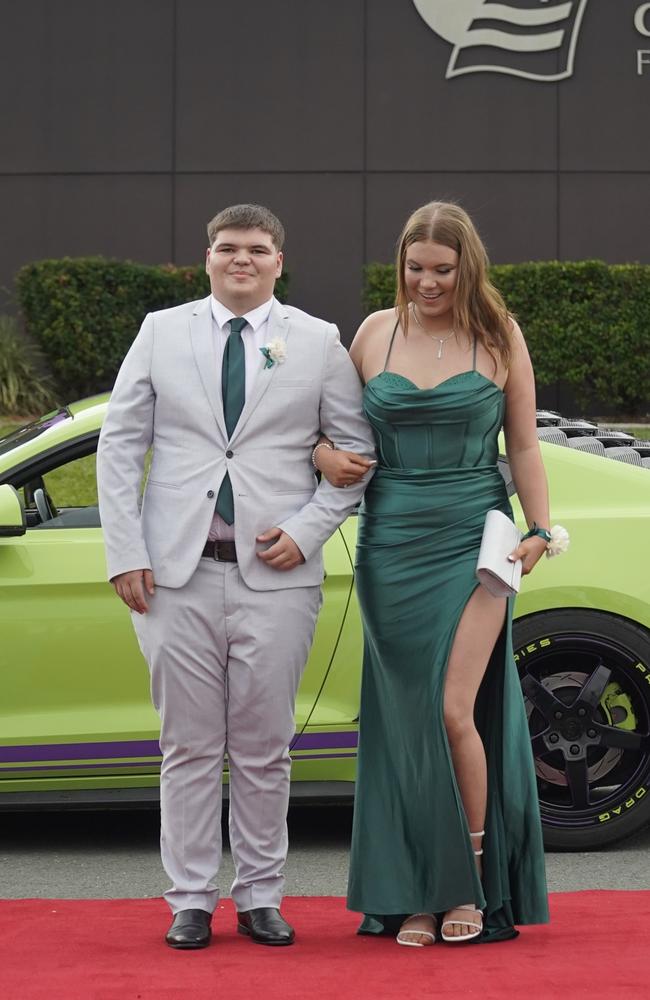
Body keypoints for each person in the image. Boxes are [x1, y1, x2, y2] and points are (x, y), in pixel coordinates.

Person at [97, 203, 375, 950]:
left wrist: (308, 531)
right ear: (208, 258)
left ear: (279, 261)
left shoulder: (317, 342)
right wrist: (126, 552)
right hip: (174, 577)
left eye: (256, 249)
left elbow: (353, 455)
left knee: (264, 746)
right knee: (186, 746)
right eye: (228, 248)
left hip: (276, 578)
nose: (241, 259)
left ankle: (259, 895)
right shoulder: (162, 330)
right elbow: (121, 444)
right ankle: (190, 898)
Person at [314, 201, 550, 945]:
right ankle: (415, 889)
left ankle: (469, 886)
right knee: (408, 725)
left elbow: (526, 444)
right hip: (389, 542)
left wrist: (541, 528)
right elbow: (325, 429)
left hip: (474, 539)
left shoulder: (498, 334)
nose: (426, 283)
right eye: (415, 269)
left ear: (467, 266)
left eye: (442, 270)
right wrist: (323, 457)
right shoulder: (374, 335)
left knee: (454, 711)